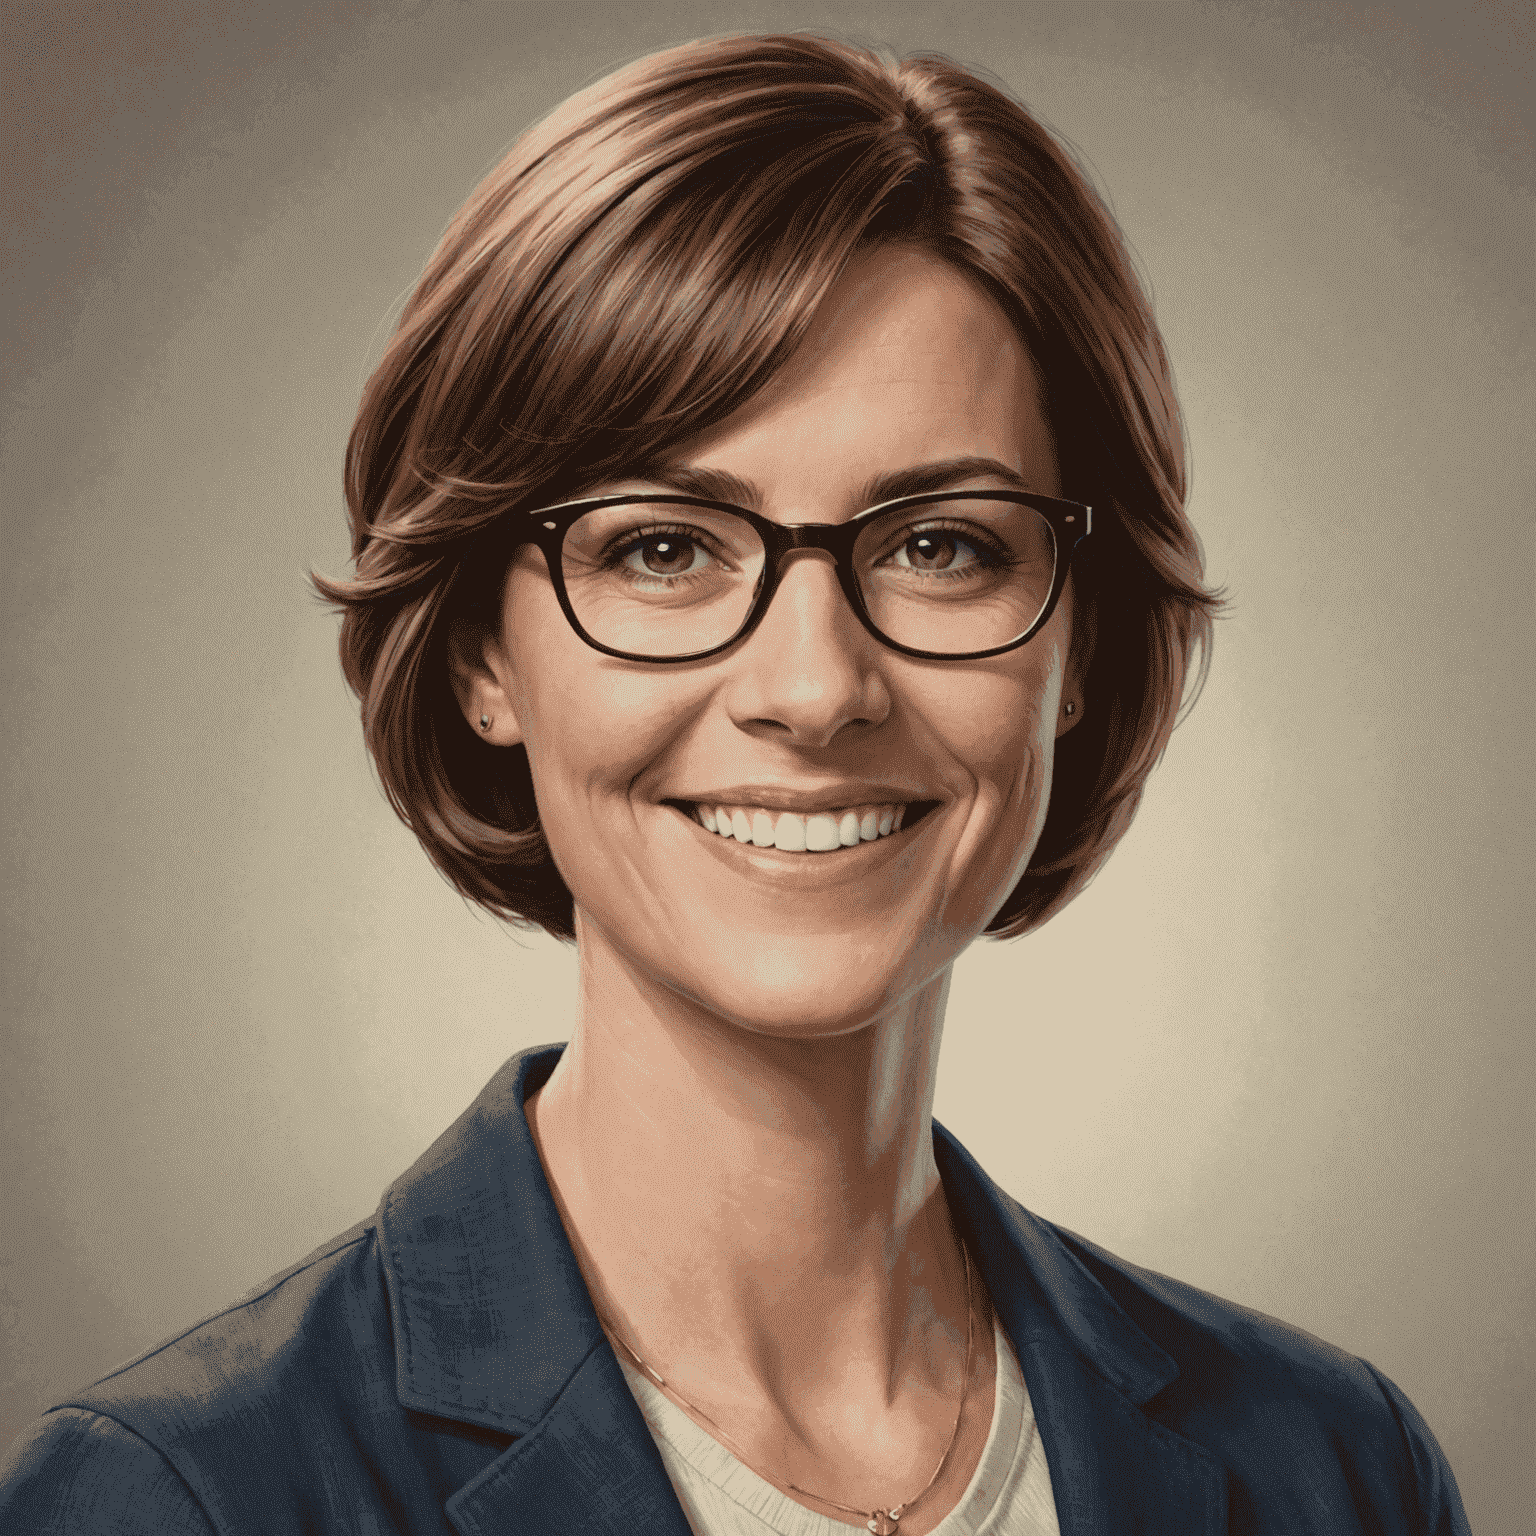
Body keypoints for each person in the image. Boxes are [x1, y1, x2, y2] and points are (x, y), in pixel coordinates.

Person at [0, 31, 1468, 1536]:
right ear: (477, 658)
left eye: (941, 544)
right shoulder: (181, 1500)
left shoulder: (1335, 1469)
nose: (815, 688)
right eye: (663, 547)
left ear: (1081, 642)